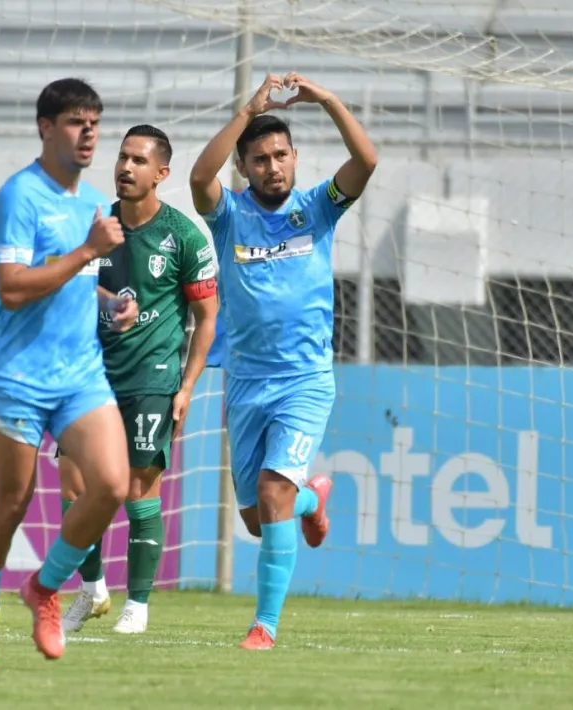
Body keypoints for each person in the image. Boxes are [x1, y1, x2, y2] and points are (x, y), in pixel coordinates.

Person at [0, 77, 139, 670]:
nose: (89, 134)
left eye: (95, 122)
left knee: (111, 484)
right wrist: (86, 252)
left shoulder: (90, 204)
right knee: (10, 503)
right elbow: (10, 287)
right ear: (46, 127)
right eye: (77, 122)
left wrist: (107, 301)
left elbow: (72, 280)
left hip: (79, 373)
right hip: (17, 377)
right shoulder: (19, 196)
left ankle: (44, 588)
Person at [189, 72, 377, 649]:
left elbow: (365, 162)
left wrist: (326, 97)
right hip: (245, 383)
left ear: (295, 158)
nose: (273, 167)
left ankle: (264, 626)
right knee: (257, 518)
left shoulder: (318, 208)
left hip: (305, 380)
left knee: (272, 494)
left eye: (281, 156)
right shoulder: (229, 217)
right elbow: (200, 177)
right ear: (244, 167)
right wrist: (248, 109)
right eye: (260, 159)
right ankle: (314, 497)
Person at [58, 124, 218, 635]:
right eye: (122, 157)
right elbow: (65, 290)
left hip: (152, 378)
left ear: (161, 173)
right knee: (73, 483)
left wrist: (187, 385)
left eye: (138, 161)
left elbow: (207, 316)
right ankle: (92, 589)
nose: (126, 167)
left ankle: (139, 606)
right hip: (91, 376)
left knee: (137, 488)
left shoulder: (184, 236)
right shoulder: (95, 226)